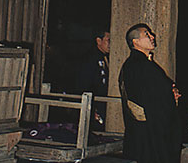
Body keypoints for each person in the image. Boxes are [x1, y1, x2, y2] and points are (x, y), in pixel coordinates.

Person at [119, 23, 181, 163]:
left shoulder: (144, 64)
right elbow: (148, 96)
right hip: (148, 132)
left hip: (150, 130)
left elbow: (159, 87)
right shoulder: (136, 65)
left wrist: (171, 90)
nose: (152, 36)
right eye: (147, 34)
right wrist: (170, 95)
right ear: (135, 42)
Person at [76, 27, 110, 129]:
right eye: (108, 40)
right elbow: (84, 83)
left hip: (103, 102)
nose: (110, 44)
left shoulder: (106, 58)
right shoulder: (90, 58)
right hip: (94, 102)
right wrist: (92, 107)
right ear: (99, 41)